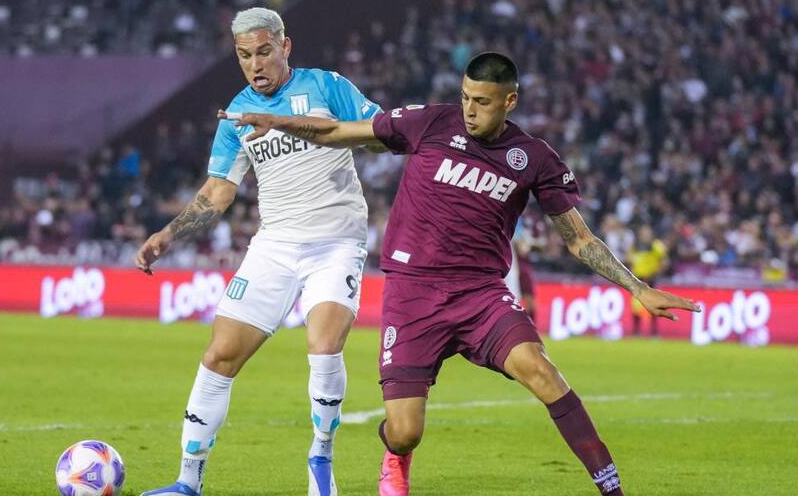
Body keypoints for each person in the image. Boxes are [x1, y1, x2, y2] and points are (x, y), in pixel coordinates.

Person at [222, 52, 700, 496]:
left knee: (544, 372)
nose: (470, 110)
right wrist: (278, 121)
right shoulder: (430, 122)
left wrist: (637, 287)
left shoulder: (533, 158)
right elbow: (337, 132)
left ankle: (612, 488)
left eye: (483, 102)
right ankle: (395, 455)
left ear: (509, 102)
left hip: (480, 295)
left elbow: (578, 239)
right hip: (412, 295)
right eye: (466, 97)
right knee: (405, 432)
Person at [135, 7, 381, 496]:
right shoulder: (237, 113)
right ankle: (187, 480)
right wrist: (169, 234)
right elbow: (218, 192)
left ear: (285, 47)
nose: (255, 64)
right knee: (220, 355)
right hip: (275, 246)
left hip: (335, 242)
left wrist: (296, 125)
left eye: (264, 52)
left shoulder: (327, 87)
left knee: (323, 346)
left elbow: (380, 136)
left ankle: (320, 458)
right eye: (244, 56)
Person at [626, 224, 670, 337]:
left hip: (650, 279)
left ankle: (654, 332)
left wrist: (656, 272)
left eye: (647, 233)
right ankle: (636, 331)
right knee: (636, 305)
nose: (645, 235)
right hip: (638, 280)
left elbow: (665, 261)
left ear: (651, 234)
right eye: (643, 232)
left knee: (653, 305)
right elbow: (629, 260)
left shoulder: (656, 246)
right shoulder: (635, 246)